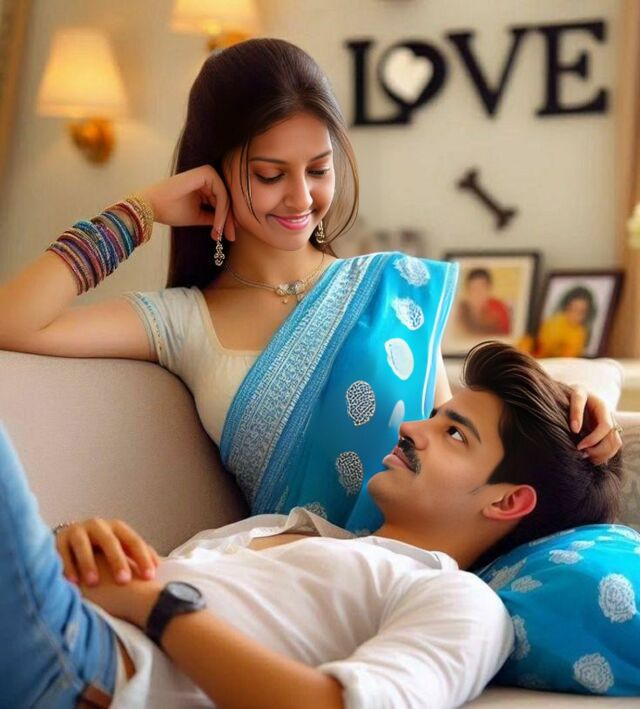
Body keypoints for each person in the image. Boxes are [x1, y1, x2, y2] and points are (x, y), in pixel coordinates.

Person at [0, 39, 620, 537]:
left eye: (319, 170)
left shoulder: (389, 287)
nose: (301, 199)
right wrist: (141, 211)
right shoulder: (183, 321)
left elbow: (451, 434)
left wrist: (567, 411)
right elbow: (17, 320)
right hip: (303, 582)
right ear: (211, 170)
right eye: (270, 175)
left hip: (423, 568)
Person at [0, 342, 624, 708]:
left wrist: (154, 603)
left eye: (454, 434)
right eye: (434, 416)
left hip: (89, 672)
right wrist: (75, 546)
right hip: (57, 617)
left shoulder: (459, 600)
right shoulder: (285, 526)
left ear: (509, 502)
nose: (412, 428)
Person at [522, 286, 596, 358]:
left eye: (581, 312)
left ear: (588, 314)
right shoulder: (554, 322)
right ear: (566, 307)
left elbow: (569, 358)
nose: (575, 315)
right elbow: (539, 344)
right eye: (572, 309)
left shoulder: (581, 333)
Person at [458, 267, 511, 335]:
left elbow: (506, 335)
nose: (478, 294)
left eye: (482, 289)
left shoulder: (498, 308)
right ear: (468, 290)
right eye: (474, 289)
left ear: (489, 289)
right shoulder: (461, 310)